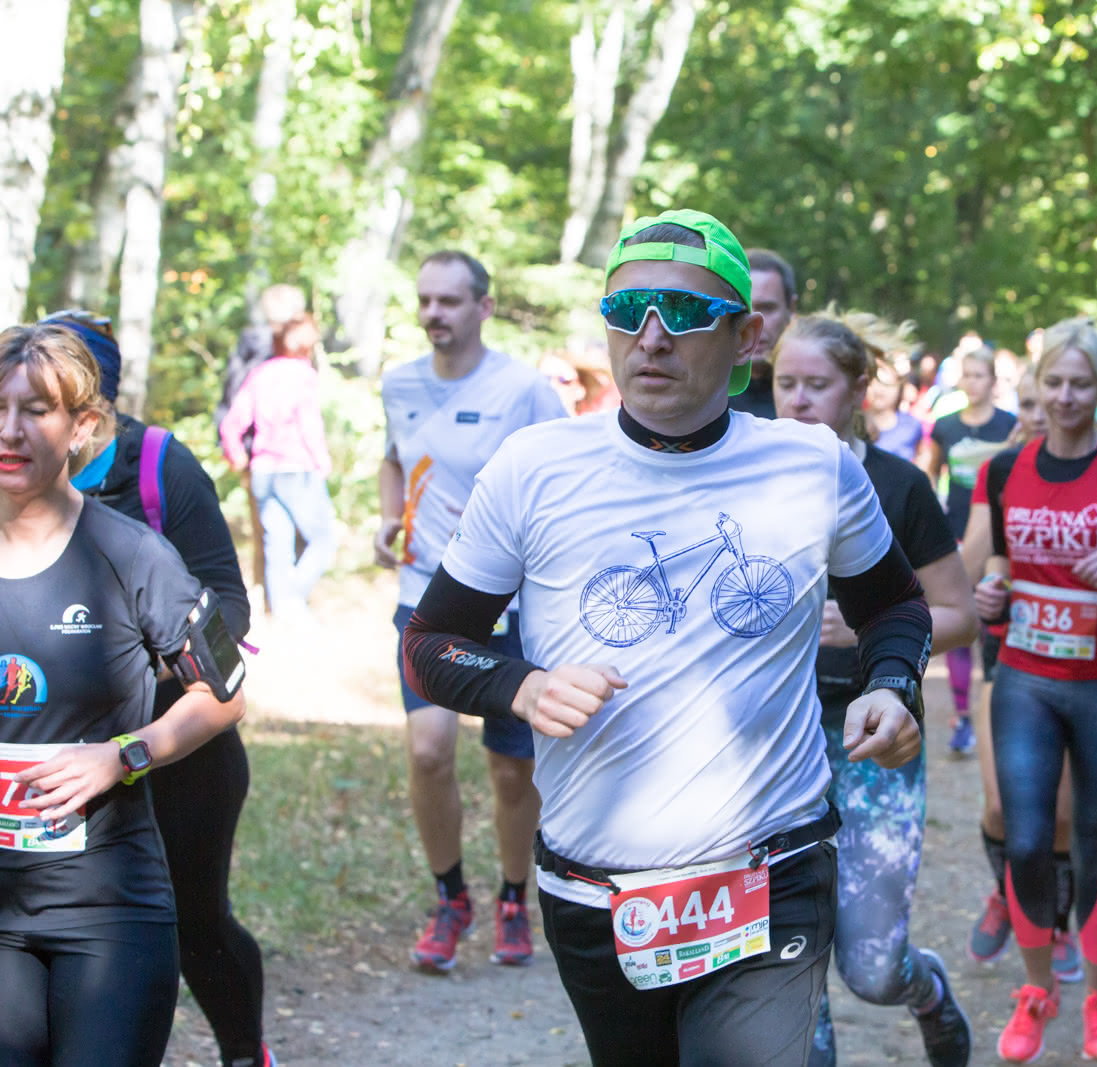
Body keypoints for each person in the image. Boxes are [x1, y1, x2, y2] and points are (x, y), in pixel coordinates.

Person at [399, 209, 930, 1066]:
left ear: (748, 335)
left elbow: (896, 605)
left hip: (771, 870)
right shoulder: (534, 467)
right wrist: (521, 687)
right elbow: (430, 641)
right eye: (629, 310)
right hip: (594, 885)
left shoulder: (814, 465)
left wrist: (890, 684)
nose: (651, 337)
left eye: (683, 313)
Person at [0, 324, 247, 1067]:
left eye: (36, 409)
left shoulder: (131, 552)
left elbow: (226, 692)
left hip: (108, 912)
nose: (10, 430)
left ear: (82, 426)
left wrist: (124, 754)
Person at [773, 311, 978, 1067]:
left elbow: (957, 616)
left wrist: (865, 632)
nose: (796, 400)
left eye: (816, 385)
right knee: (792, 962)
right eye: (784, 383)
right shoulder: (747, 479)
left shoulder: (896, 485)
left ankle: (926, 990)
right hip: (774, 744)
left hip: (878, 742)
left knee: (870, 965)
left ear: (859, 389)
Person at [966, 319, 1097, 1063]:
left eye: (1081, 383)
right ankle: (1036, 987)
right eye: (1054, 382)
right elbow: (975, 561)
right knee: (1024, 840)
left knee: (1092, 845)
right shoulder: (1002, 470)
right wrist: (986, 591)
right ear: (1038, 386)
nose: (1066, 396)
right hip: (1025, 676)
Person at [374, 251, 566, 972]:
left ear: (484, 307)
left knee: (511, 770)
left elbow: (562, 477)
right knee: (428, 750)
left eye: (450, 301)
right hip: (424, 594)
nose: (434, 314)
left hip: (513, 602)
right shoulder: (399, 382)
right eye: (425, 300)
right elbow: (395, 458)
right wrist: (390, 519)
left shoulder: (525, 390)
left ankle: (515, 896)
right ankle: (450, 896)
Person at [962, 369, 1084, 985]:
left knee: (1059, 817)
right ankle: (1007, 893)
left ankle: (1056, 921)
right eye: (1029, 403)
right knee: (998, 808)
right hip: (1005, 653)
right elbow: (969, 557)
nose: (1041, 413)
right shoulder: (1001, 472)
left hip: (1071, 663)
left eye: (1050, 401)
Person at [923, 346, 1017, 754]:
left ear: (994, 382)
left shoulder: (1010, 426)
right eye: (968, 375)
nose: (974, 383)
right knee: (963, 626)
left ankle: (997, 707)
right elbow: (929, 473)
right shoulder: (945, 427)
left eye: (982, 375)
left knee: (994, 621)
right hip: (955, 533)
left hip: (999, 537)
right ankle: (963, 717)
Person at [218, 311, 336, 618]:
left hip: (263, 470)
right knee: (324, 539)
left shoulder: (261, 373)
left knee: (278, 547)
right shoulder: (304, 374)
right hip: (298, 469)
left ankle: (284, 613)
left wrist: (237, 454)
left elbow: (232, 423)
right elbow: (308, 423)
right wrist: (322, 461)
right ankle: (293, 602)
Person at [216, 284, 308, 591]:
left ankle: (278, 597)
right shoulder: (261, 348)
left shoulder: (289, 346)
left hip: (265, 455)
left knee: (272, 532)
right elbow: (233, 400)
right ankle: (276, 599)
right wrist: (234, 448)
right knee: (275, 531)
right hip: (264, 455)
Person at [728, 248, 797, 419]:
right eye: (745, 308)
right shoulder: (702, 397)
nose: (754, 323)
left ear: (791, 309)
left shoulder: (810, 399)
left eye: (767, 308)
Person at [867, 360, 925, 462]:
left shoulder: (913, 425)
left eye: (887, 384)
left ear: (899, 388)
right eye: (875, 383)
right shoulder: (852, 422)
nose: (880, 390)